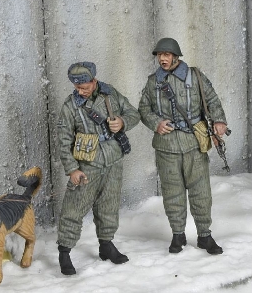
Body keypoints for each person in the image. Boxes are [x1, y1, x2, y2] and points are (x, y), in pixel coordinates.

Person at [138, 38, 228, 255]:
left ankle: (205, 235)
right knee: (172, 192)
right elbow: (144, 108)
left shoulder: (194, 76)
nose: (162, 59)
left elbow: (212, 100)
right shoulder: (153, 82)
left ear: (176, 56)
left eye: (166, 55)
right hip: (166, 146)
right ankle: (178, 234)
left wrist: (219, 121)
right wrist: (156, 123)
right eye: (160, 55)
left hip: (193, 143)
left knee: (201, 192)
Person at [56, 61, 140, 275]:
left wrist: (121, 122)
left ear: (94, 81)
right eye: (77, 88)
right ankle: (64, 252)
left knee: (109, 204)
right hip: (87, 164)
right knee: (73, 207)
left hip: (112, 159)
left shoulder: (110, 95)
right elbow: (63, 140)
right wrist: (73, 169)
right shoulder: (70, 107)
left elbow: (133, 113)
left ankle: (106, 244)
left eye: (85, 86)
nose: (81, 91)